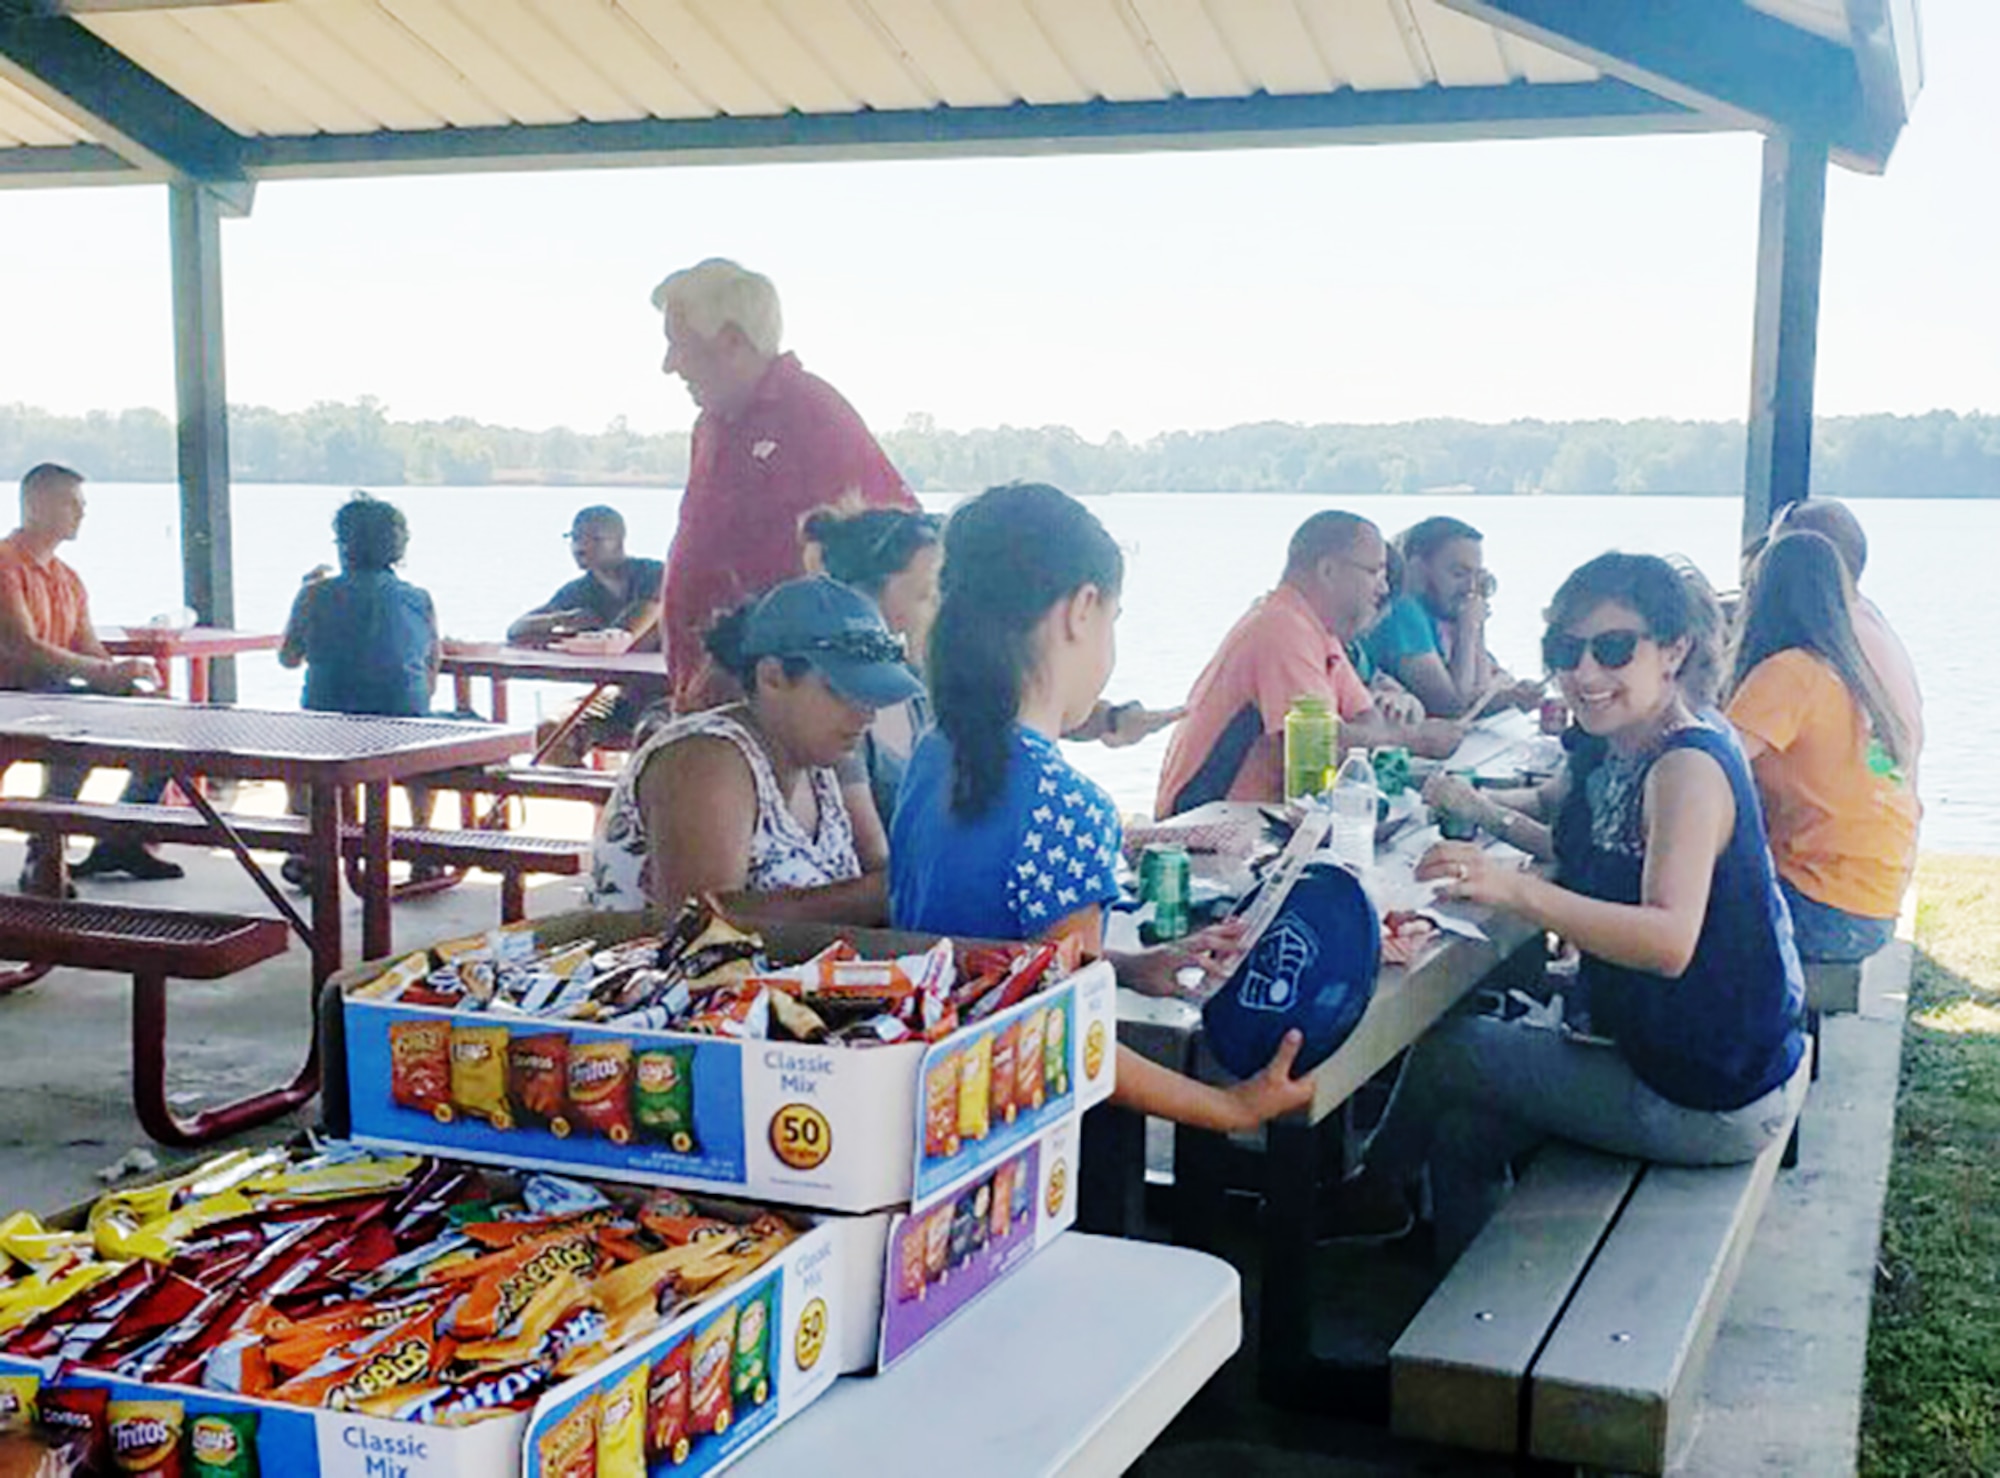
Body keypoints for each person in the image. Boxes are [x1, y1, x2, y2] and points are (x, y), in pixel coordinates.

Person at [1365, 552, 1805, 1259]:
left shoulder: (1687, 765)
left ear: (1673, 649)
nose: (1586, 673)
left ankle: (1366, 1197)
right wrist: (1480, 817)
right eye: (1567, 651)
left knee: (1447, 1051)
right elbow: (1590, 857)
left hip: (1708, 1094)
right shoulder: (1620, 747)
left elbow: (1668, 941)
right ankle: (1472, 1320)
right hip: (1668, 1053)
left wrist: (1515, 890)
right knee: (1461, 1133)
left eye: (1613, 648)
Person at [891, 482, 1316, 1132]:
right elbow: (1064, 1034)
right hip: (1005, 1127)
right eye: (1115, 619)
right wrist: (1231, 1107)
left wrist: (1123, 969)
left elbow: (989, 961)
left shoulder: (936, 753)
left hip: (918, 1092)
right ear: (1081, 609)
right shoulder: (1065, 805)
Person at [803, 505, 1186, 828]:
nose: (950, 617)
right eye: (931, 596)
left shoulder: (922, 694)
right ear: (864, 599)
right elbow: (881, 860)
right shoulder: (843, 723)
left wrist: (1112, 719)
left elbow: (1006, 709)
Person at [652, 259, 919, 712]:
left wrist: (755, 651)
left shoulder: (812, 413)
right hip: (706, 694)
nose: (669, 366)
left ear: (733, 341)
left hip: (783, 702)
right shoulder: (711, 426)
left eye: (681, 346)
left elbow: (903, 546)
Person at [589, 577, 923, 922]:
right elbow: (697, 926)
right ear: (772, 677)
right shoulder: (706, 758)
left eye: (870, 696)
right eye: (842, 692)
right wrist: (879, 894)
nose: (866, 715)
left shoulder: (820, 762)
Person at [1154, 511, 1463, 818]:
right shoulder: (1280, 627)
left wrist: (1356, 738)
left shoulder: (1319, 631)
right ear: (1328, 570)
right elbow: (1317, 745)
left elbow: (1367, 722)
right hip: (1204, 828)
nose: (1383, 589)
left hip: (1266, 818)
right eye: (1374, 573)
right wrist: (1414, 740)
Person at [1724, 530, 1918, 962]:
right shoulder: (1851, 672)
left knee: (1670, 907)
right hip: (1872, 903)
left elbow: (1708, 760)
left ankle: (1606, 1011)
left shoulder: (1790, 673)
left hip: (1822, 904)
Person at [0, 463, 180, 887]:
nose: (82, 514)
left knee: (167, 719)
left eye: (83, 505)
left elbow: (87, 647)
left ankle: (123, 838)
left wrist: (128, 679)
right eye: (72, 504)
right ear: (37, 506)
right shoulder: (6, 567)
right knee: (74, 729)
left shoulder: (69, 580)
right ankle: (44, 852)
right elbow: (25, 646)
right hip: (11, 694)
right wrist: (104, 673)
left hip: (54, 693)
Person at [278, 495, 444, 884]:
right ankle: (421, 839)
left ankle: (309, 846)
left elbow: (287, 658)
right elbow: (431, 668)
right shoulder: (419, 599)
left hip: (329, 725)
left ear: (343, 545)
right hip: (402, 725)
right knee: (425, 739)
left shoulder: (315, 595)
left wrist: (303, 593)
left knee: (306, 752)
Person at [1768, 497, 1924, 787]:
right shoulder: (1870, 622)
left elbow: (1727, 756)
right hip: (1892, 822)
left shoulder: (1821, 642)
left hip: (1835, 826)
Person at [507, 505, 667, 764]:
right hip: (620, 697)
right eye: (575, 538)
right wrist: (562, 619)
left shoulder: (654, 575)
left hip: (669, 695)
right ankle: (602, 802)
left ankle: (636, 801)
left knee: (653, 735)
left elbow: (623, 635)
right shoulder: (581, 590)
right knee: (551, 731)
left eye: (594, 539)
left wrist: (598, 639)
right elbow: (516, 630)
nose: (580, 547)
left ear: (619, 541)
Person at [1363, 515, 1540, 719]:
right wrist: (1468, 629)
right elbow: (1451, 707)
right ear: (1417, 568)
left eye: (1476, 577)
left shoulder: (1439, 615)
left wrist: (1510, 697)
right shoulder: (1402, 611)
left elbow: (1479, 692)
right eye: (1458, 574)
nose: (1470, 588)